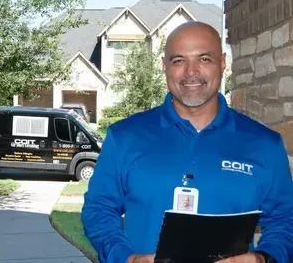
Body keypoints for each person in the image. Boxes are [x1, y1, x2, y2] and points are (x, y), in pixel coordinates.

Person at [81, 21, 293, 263]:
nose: (191, 72)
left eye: (204, 59)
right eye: (178, 60)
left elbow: (285, 220)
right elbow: (98, 210)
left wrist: (264, 258)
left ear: (222, 64)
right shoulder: (124, 137)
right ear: (164, 66)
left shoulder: (265, 145)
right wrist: (125, 258)